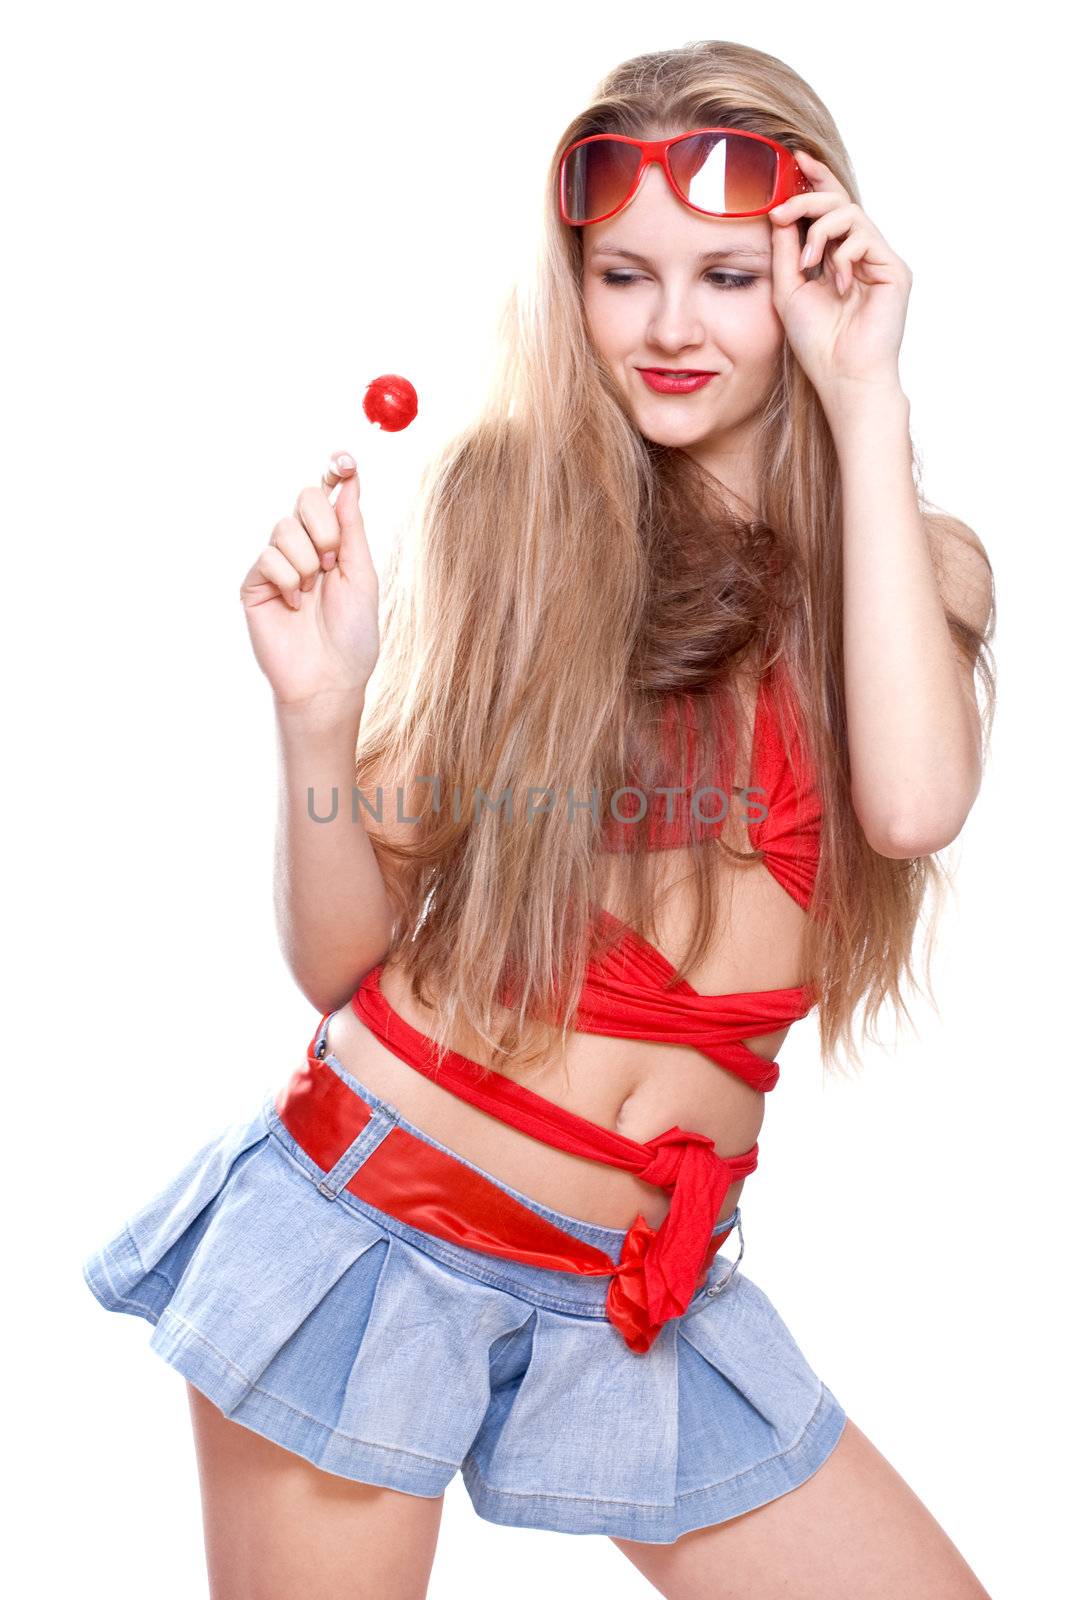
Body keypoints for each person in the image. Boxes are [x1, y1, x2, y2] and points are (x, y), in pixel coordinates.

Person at [82, 38, 996, 1600]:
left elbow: (910, 804)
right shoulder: (517, 508)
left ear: (820, 266)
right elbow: (343, 965)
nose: (670, 326)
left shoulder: (918, 563)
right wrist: (317, 709)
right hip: (374, 1231)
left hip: (646, 1297)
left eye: (726, 274)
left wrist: (865, 391)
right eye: (623, 275)